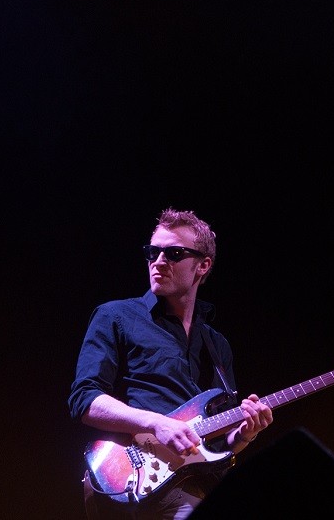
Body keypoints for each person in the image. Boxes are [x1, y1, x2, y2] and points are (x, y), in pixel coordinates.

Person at [68, 207, 273, 520]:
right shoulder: (116, 316)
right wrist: (156, 423)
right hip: (135, 477)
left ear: (203, 265)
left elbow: (219, 442)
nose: (159, 261)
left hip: (201, 482)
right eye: (153, 252)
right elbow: (84, 399)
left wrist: (245, 434)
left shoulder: (216, 345)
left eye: (174, 253)